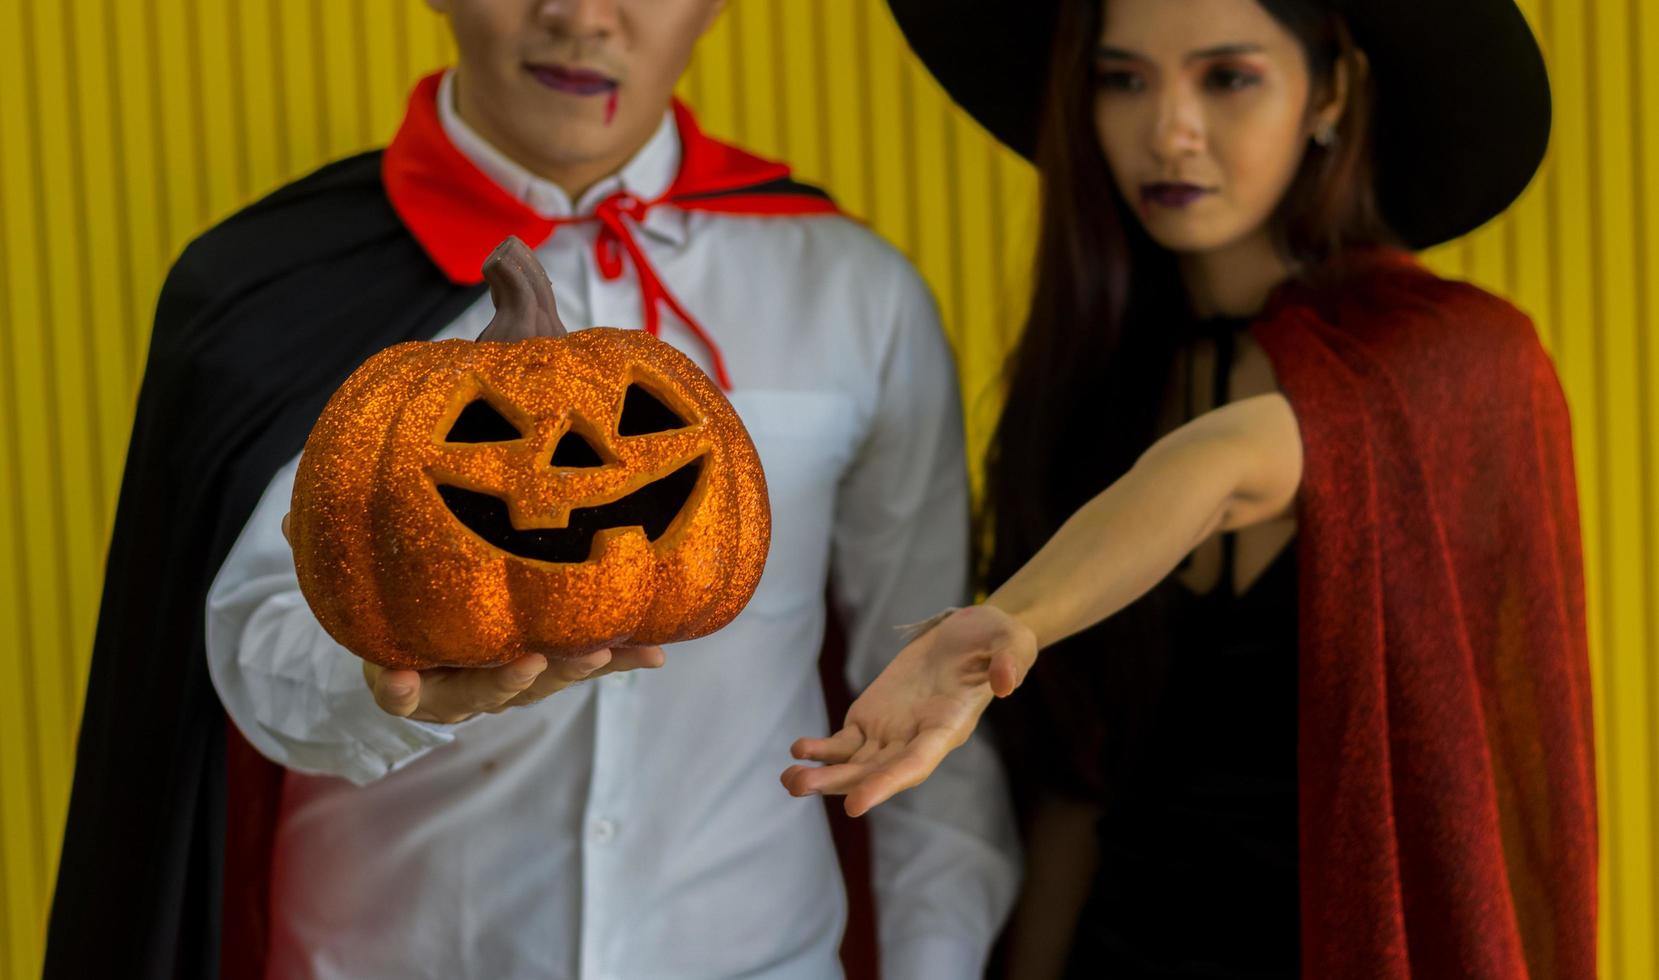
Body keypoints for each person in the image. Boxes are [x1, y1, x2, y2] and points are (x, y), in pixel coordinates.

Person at [46, 1, 1018, 977]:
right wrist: (396, 686)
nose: (581, 15)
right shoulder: (276, 285)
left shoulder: (858, 291)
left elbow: (931, 692)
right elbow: (249, 647)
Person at [784, 0, 1596, 977]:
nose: (1168, 130)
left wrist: (1016, 616)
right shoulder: (1095, 386)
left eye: (1228, 77)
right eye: (1123, 78)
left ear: (1329, 91)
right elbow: (1079, 791)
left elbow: (1228, 466)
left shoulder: (1456, 357)